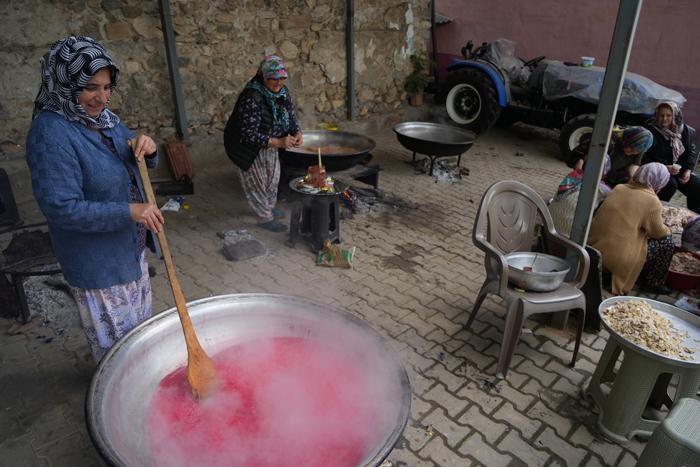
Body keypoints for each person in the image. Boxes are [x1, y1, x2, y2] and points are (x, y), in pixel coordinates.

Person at [25, 36, 163, 362]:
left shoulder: (105, 122)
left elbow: (133, 152)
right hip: (98, 265)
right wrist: (130, 210)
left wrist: (148, 147)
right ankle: (116, 407)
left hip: (130, 250)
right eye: (90, 88)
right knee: (118, 355)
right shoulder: (50, 132)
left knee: (138, 335)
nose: (102, 98)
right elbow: (62, 208)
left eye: (107, 87)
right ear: (65, 83)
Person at [224, 55, 303, 232]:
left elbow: (291, 115)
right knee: (257, 183)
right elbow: (247, 133)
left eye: (282, 78)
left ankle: (268, 206)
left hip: (272, 144)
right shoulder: (251, 96)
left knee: (272, 179)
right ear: (263, 76)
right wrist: (277, 141)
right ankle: (264, 218)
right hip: (247, 147)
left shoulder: (282, 92)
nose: (278, 82)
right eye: (273, 78)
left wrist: (297, 131)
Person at [588, 163, 673, 295]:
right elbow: (658, 233)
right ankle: (653, 283)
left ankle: (607, 274)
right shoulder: (652, 201)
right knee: (667, 242)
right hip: (617, 259)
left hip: (593, 249)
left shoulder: (619, 188)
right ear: (660, 182)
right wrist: (669, 229)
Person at [643, 101, 700, 213]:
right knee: (670, 185)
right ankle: (654, 213)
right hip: (658, 170)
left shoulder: (684, 130)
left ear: (675, 116)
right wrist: (665, 167)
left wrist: (688, 170)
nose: (664, 119)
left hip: (678, 170)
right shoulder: (650, 131)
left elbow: (691, 152)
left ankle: (693, 218)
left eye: (668, 115)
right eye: (661, 115)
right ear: (656, 115)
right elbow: (644, 157)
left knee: (697, 186)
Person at [567, 126, 654, 187]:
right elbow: (578, 157)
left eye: (637, 152)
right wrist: (581, 160)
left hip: (608, 181)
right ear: (627, 139)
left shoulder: (640, 148)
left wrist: (632, 178)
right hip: (589, 176)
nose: (632, 153)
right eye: (631, 148)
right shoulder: (608, 141)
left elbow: (635, 164)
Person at [549, 155, 612, 236]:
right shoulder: (603, 190)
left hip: (548, 227)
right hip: (569, 238)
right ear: (604, 173)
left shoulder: (572, 176)